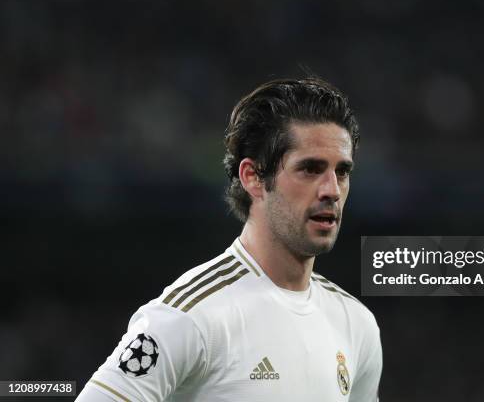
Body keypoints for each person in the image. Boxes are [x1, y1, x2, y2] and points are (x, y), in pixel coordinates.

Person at [76, 77, 383, 401]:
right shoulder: (190, 316)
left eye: (342, 172)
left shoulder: (356, 324)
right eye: (310, 169)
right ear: (252, 177)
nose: (332, 190)